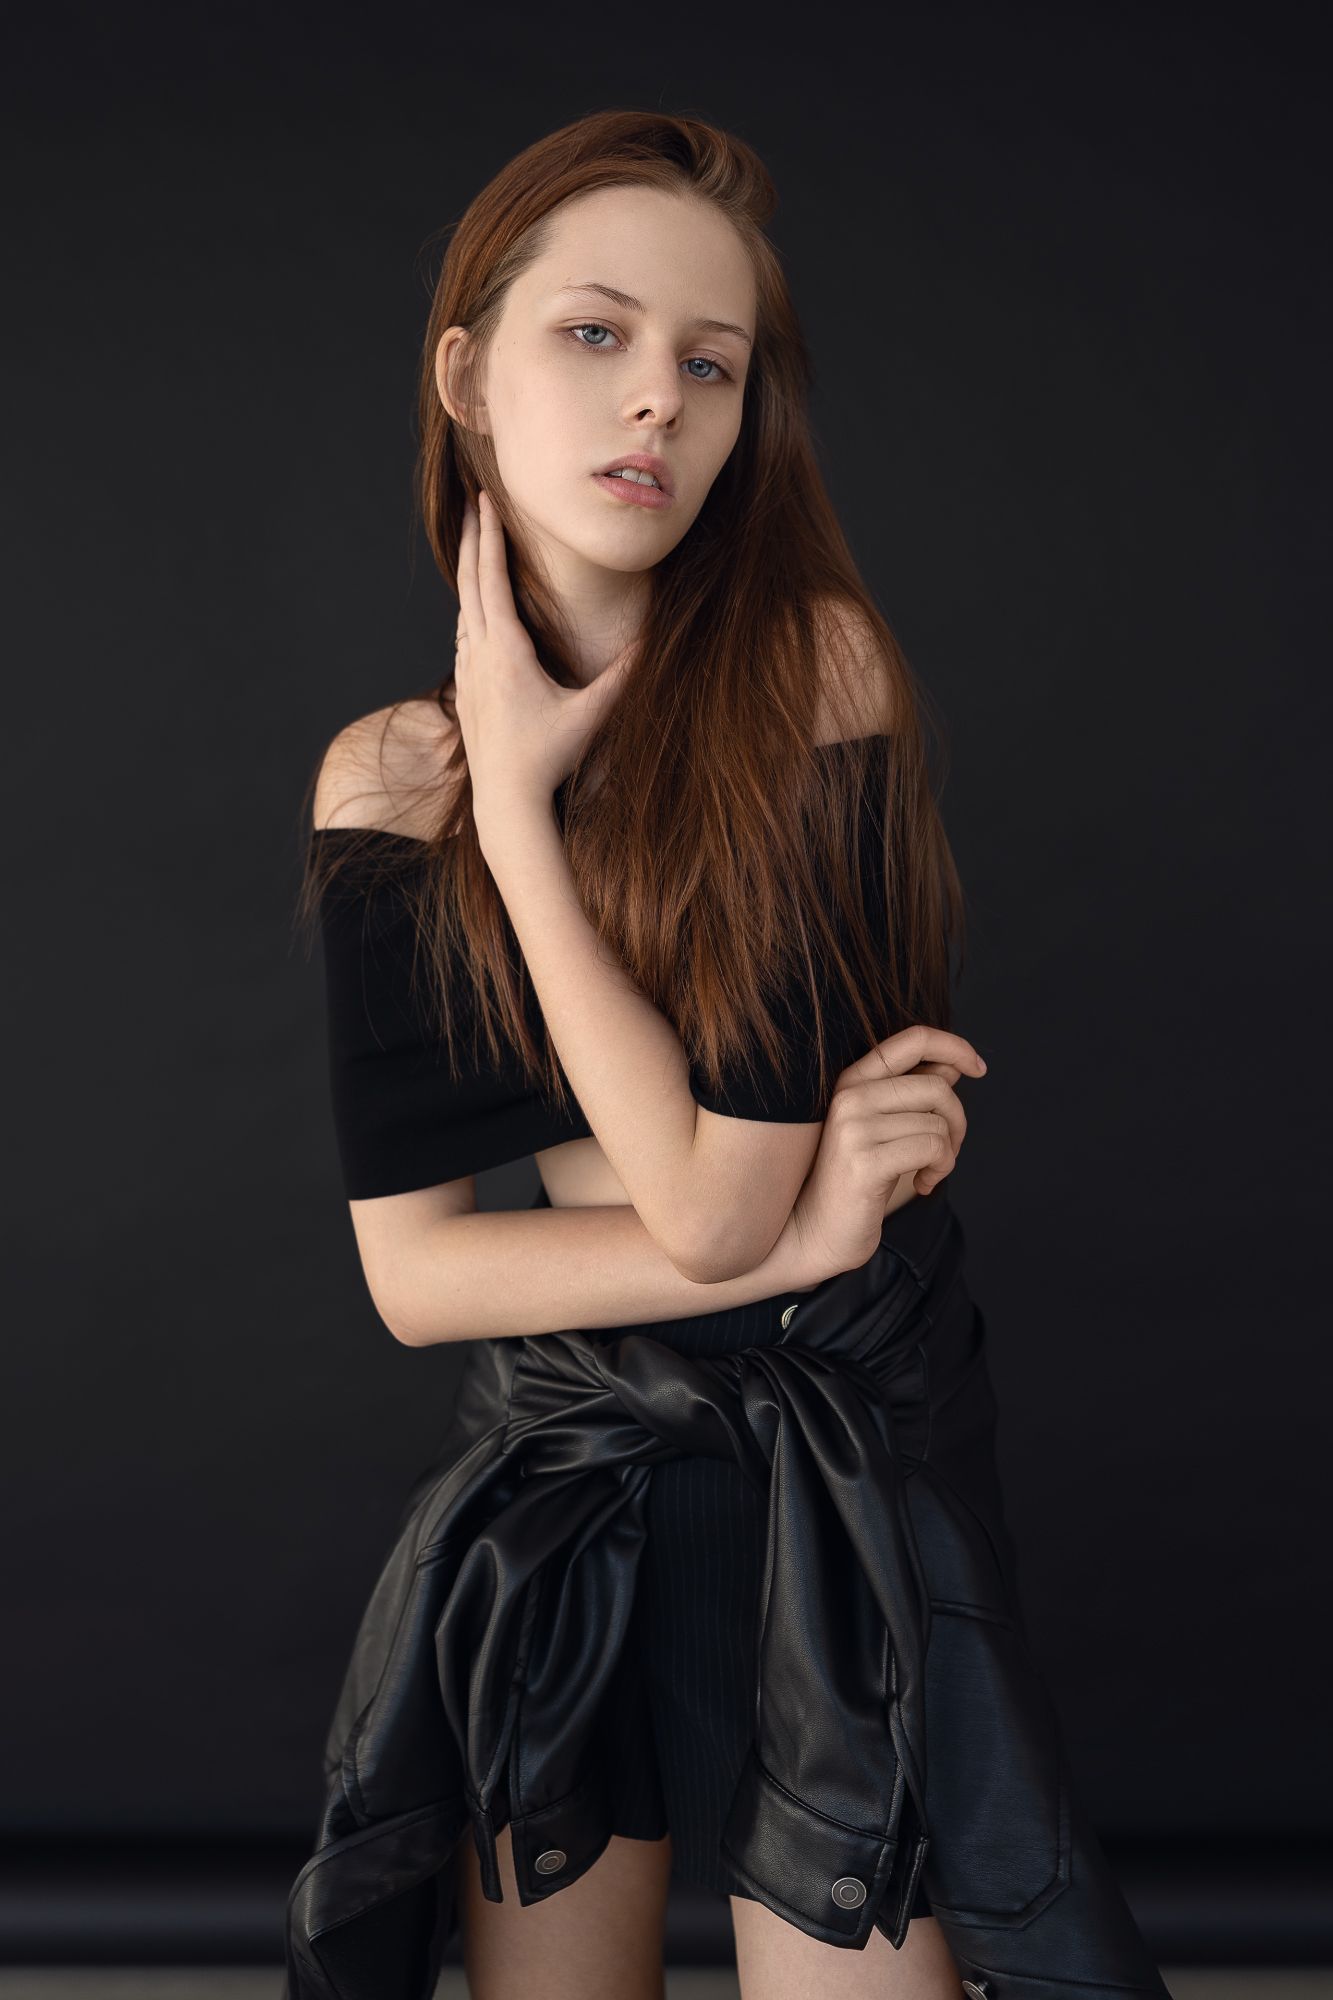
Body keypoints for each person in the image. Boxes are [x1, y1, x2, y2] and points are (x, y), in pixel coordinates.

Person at [284, 111, 1169, 2000]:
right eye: (594, 335)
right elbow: (420, 1279)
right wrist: (804, 1226)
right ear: (465, 378)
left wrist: (520, 822)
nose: (656, 402)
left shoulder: (811, 679)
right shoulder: (386, 781)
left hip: (839, 1464)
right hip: (570, 1461)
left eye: (711, 363)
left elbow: (703, 1208)